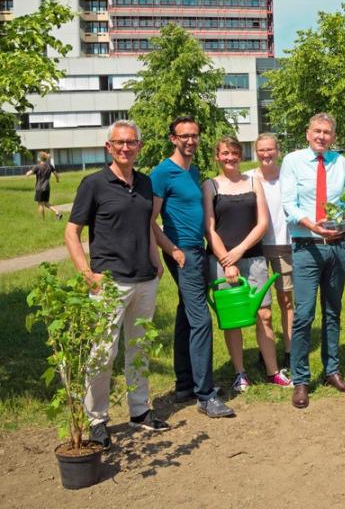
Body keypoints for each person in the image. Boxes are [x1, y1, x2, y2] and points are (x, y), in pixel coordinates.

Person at [65, 120, 167, 449]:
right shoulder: (93, 183)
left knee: (139, 349)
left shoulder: (145, 182)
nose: (126, 148)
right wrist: (87, 274)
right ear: (109, 147)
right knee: (102, 354)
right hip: (109, 282)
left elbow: (148, 225)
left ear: (139, 146)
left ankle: (139, 410)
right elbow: (72, 232)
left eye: (131, 142)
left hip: (144, 279)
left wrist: (156, 259)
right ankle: (97, 419)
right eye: (119, 143)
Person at [152, 116, 234, 418]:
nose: (190, 140)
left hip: (197, 251)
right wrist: (173, 251)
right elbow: (150, 221)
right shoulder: (162, 173)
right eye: (184, 136)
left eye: (195, 135)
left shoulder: (193, 171)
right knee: (201, 321)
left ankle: (185, 384)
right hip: (183, 253)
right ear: (173, 138)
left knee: (186, 316)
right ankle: (205, 395)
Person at [204, 136, 291, 392]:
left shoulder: (254, 182)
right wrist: (226, 260)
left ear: (240, 156)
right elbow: (209, 228)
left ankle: (273, 371)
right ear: (217, 157)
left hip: (253, 257)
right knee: (233, 319)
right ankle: (240, 373)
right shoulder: (210, 186)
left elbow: (262, 222)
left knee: (264, 314)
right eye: (224, 153)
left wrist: (240, 250)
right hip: (222, 262)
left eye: (234, 153)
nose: (229, 157)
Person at [281, 113, 345, 410]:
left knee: (333, 311)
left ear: (333, 136)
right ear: (307, 133)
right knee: (304, 314)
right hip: (306, 247)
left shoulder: (341, 162)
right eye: (317, 131)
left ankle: (332, 370)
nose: (322, 136)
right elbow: (288, 203)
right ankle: (301, 379)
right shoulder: (293, 161)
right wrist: (312, 225)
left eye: (327, 132)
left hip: (336, 247)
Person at [245, 134, 294, 374]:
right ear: (256, 152)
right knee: (262, 305)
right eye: (261, 150)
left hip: (285, 244)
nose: (266, 154)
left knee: (286, 300)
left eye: (270, 149)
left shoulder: (288, 176)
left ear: (278, 150)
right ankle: (266, 351)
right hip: (258, 247)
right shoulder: (250, 178)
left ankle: (289, 350)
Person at [26, 151, 63, 220]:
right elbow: (56, 175)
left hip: (39, 188)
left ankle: (42, 221)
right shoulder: (50, 166)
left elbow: (28, 174)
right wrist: (57, 180)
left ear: (39, 158)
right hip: (47, 188)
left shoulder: (37, 166)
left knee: (40, 204)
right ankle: (57, 212)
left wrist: (27, 173)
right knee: (46, 203)